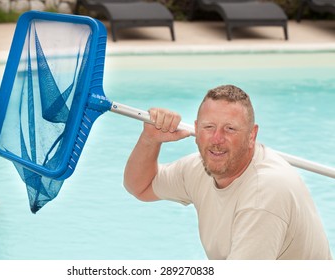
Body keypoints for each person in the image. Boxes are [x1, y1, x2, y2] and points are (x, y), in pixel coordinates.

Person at [123, 84, 332, 260]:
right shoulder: (199, 169)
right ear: (196, 129)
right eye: (209, 127)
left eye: (230, 129)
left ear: (252, 135)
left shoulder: (265, 194)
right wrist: (150, 140)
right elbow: (141, 186)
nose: (216, 139)